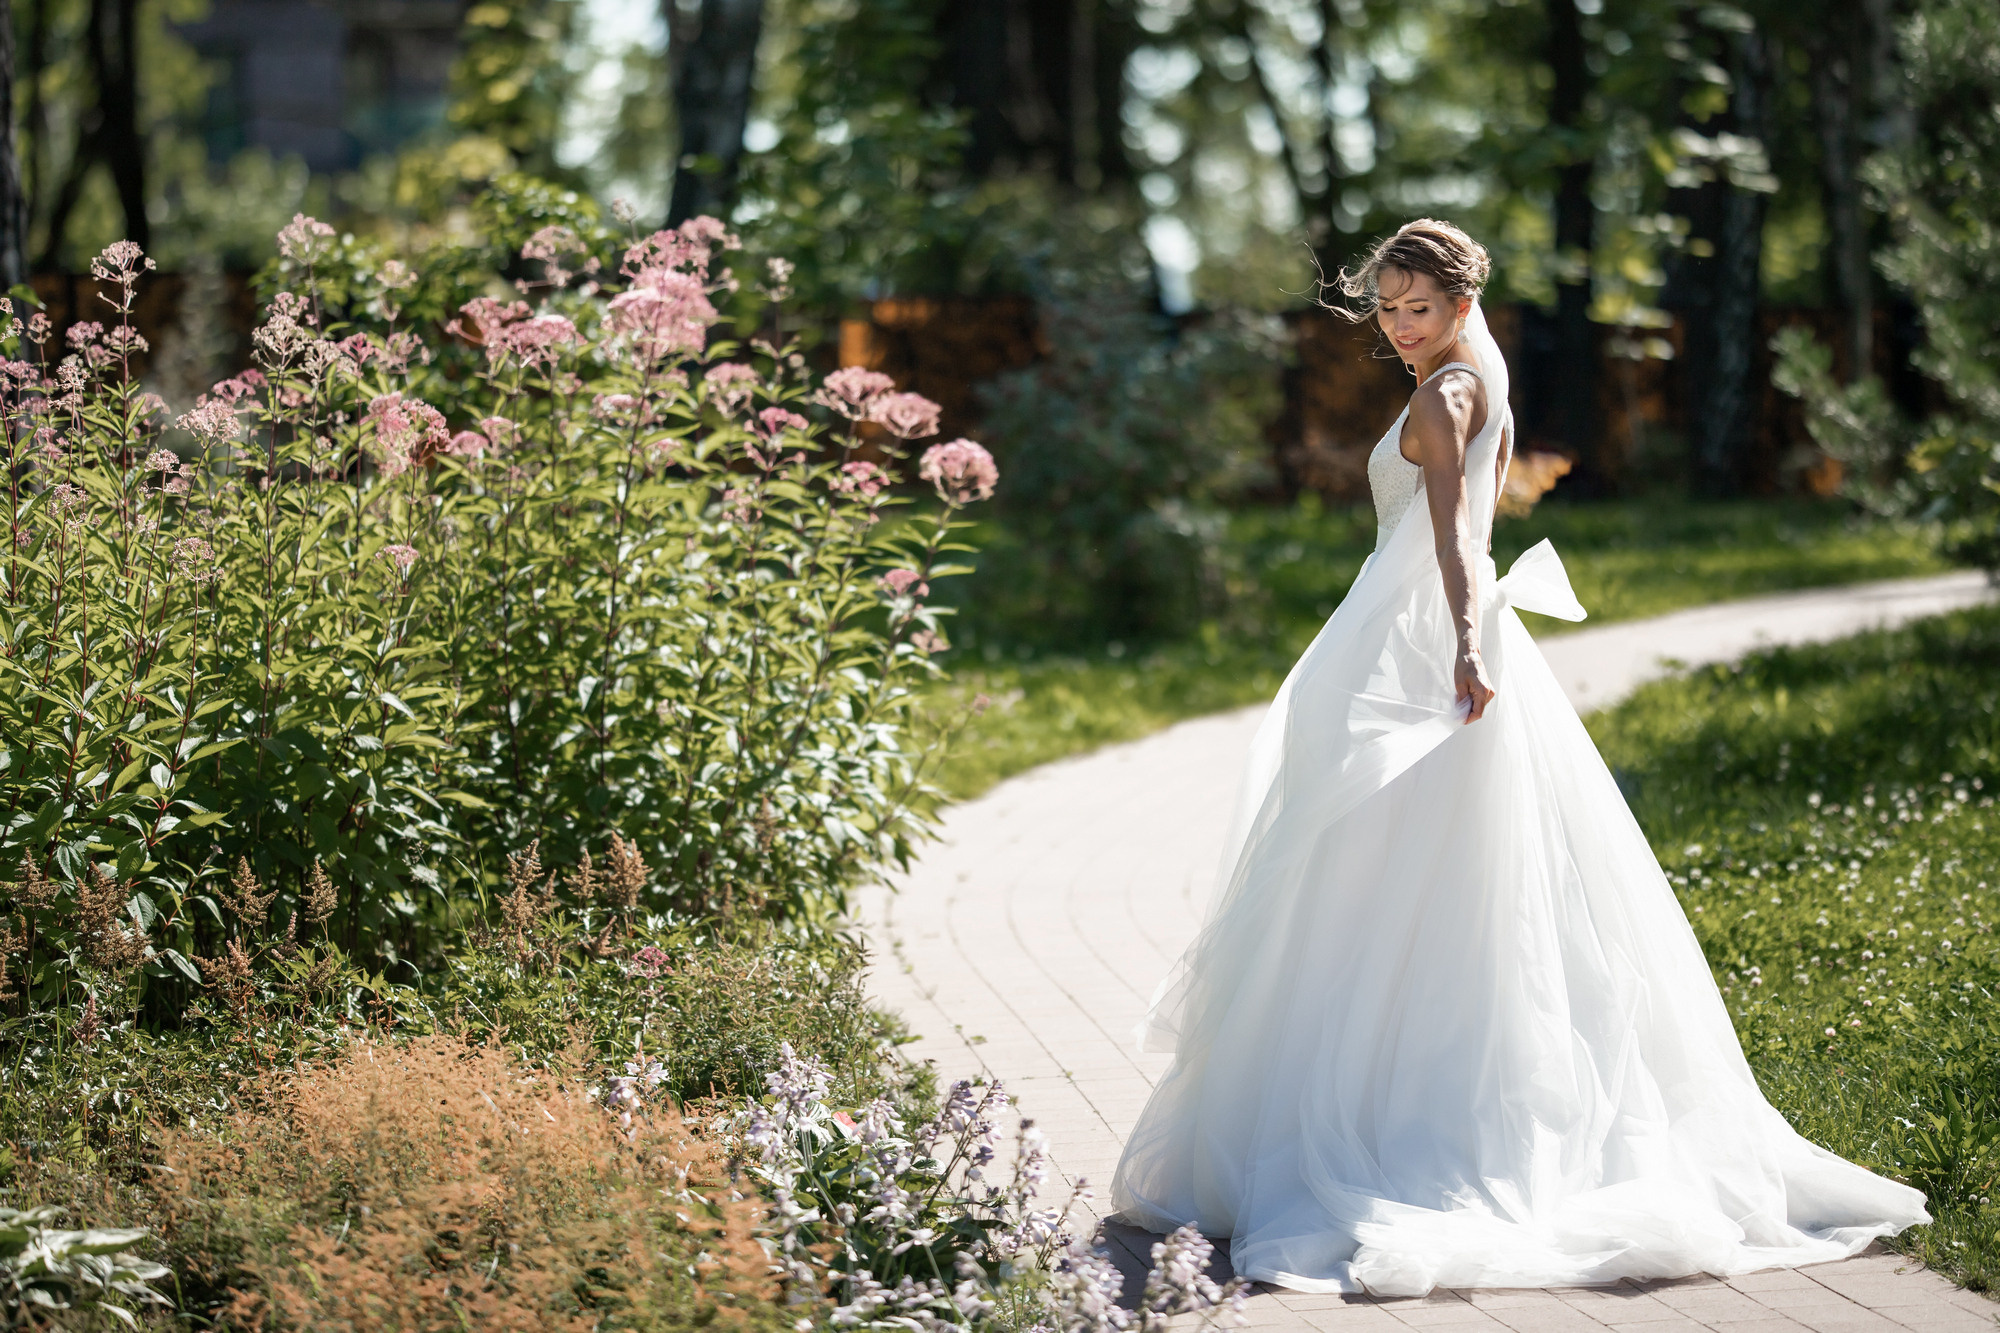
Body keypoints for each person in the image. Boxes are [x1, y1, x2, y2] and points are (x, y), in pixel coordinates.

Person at [1108, 218, 1929, 1298]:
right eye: (1386, 309)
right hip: (1421, 637)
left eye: (1418, 308)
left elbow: (1457, 532)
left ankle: (1415, 1124)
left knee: (1400, 875)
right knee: (1430, 878)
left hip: (1425, 648)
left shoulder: (1448, 391)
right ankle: (1424, 1089)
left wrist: (1459, 641)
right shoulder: (1473, 369)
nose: (1400, 327)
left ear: (1461, 302)